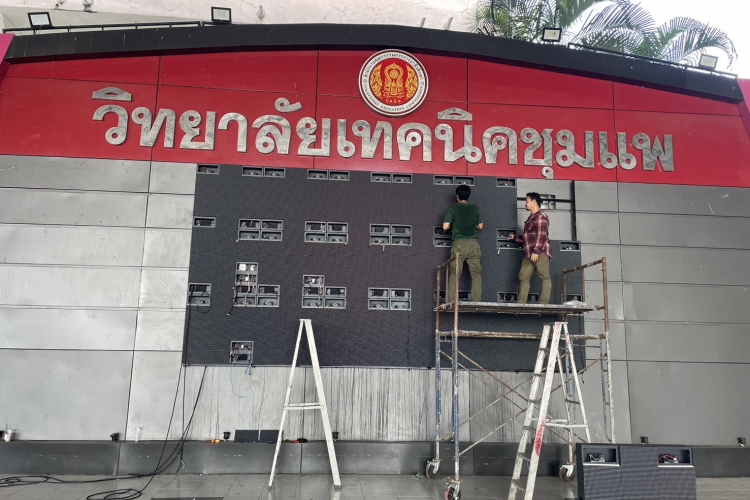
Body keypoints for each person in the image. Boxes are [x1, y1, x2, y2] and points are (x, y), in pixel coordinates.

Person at [509, 192, 552, 304]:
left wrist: (536, 251)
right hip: (529, 253)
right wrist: (515, 238)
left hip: (540, 252)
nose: (525, 204)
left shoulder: (541, 216)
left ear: (534, 202)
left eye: (527, 201)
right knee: (523, 276)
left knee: (544, 277)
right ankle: (521, 304)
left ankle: (543, 304)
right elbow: (527, 238)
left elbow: (542, 236)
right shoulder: (531, 218)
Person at [443, 185, 484, 302]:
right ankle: (476, 303)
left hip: (459, 245)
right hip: (474, 244)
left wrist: (453, 224)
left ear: (457, 196)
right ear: (468, 196)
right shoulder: (475, 208)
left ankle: (451, 303)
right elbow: (480, 226)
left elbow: (445, 226)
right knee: (476, 275)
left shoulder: (452, 209)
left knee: (455, 274)